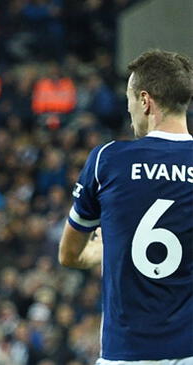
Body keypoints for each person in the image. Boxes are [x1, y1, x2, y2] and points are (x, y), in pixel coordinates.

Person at [59, 49, 193, 364]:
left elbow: (69, 254)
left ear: (145, 101)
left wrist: (98, 251)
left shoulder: (107, 160)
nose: (129, 109)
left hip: (126, 354)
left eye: (129, 99)